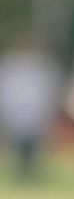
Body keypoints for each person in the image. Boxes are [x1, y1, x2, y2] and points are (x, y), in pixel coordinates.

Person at [0, 28, 64, 180]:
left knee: (34, 144)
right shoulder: (9, 64)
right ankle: (22, 170)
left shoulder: (44, 65)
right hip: (15, 110)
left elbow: (52, 88)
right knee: (19, 143)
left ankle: (30, 170)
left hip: (36, 111)